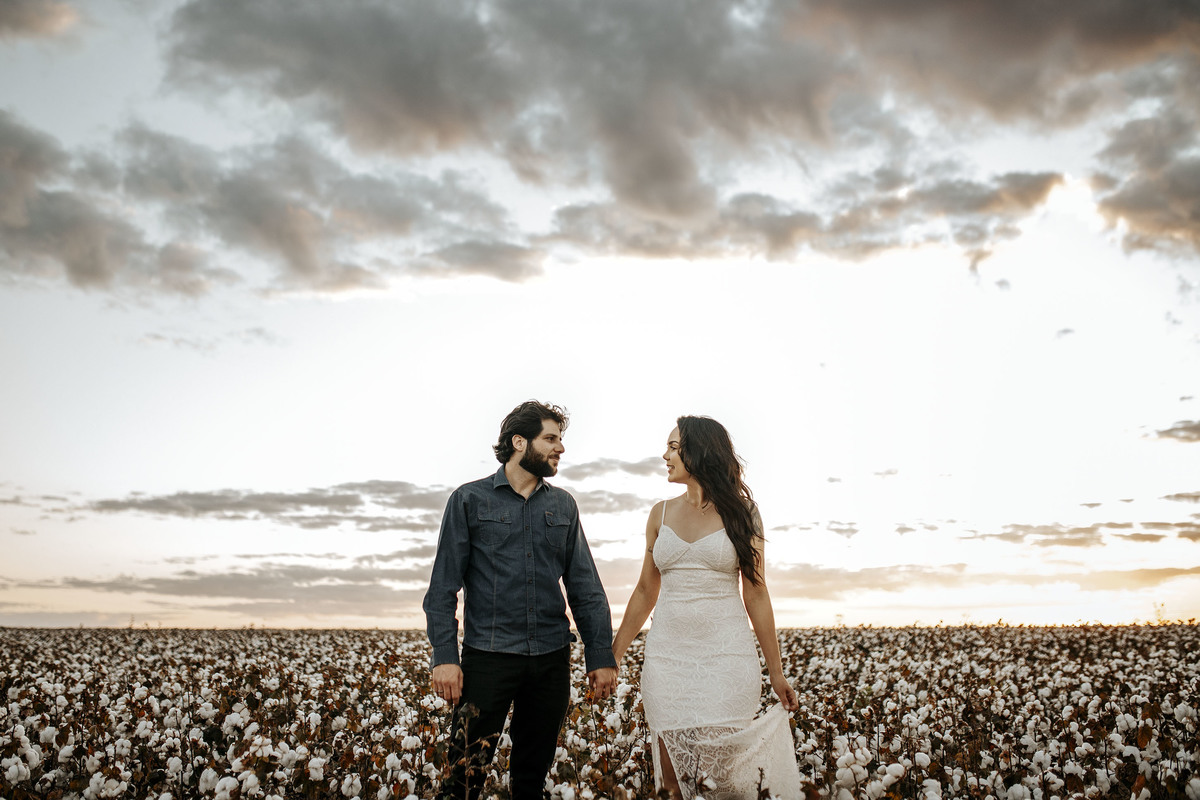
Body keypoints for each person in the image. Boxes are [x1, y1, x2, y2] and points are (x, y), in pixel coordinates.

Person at [423, 400, 619, 800]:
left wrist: (600, 656)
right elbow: (443, 587)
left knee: (531, 782)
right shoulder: (469, 500)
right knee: (463, 779)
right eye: (550, 439)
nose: (559, 448)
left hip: (550, 661)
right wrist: (445, 656)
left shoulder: (563, 505)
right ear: (519, 442)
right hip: (488, 658)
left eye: (560, 440)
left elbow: (585, 588)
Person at [611, 415, 802, 800]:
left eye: (673, 447)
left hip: (727, 661)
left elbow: (757, 594)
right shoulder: (659, 513)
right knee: (670, 785)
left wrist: (776, 673)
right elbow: (646, 590)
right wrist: (611, 654)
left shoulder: (743, 513)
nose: (664, 455)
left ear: (698, 452)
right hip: (667, 660)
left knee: (724, 785)